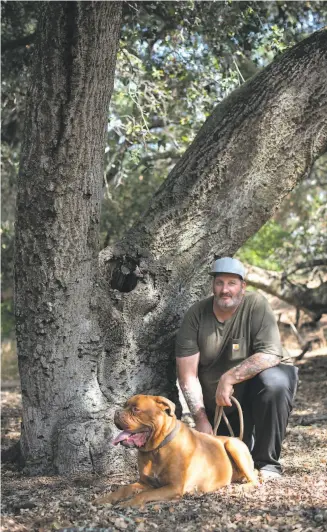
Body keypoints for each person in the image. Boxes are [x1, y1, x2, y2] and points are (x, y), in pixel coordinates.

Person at [176, 257, 298, 480]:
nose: (225, 290)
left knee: (275, 383)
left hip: (256, 389)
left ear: (243, 286)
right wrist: (200, 419)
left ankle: (267, 463)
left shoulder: (256, 305)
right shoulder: (195, 315)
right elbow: (187, 376)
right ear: (212, 285)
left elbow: (271, 353)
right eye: (219, 282)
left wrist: (229, 378)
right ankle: (246, 449)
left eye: (232, 283)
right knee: (227, 460)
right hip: (220, 403)